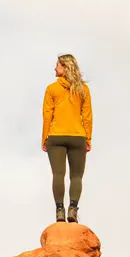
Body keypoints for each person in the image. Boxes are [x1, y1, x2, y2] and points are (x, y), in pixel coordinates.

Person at [41, 54, 92, 224]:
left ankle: (60, 212)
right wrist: (88, 138)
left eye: (57, 65)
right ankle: (73, 208)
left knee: (58, 174)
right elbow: (87, 116)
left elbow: (47, 115)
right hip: (78, 136)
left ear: (64, 68)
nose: (54, 68)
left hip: (56, 136)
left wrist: (44, 138)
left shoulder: (51, 89)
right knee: (76, 176)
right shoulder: (83, 90)